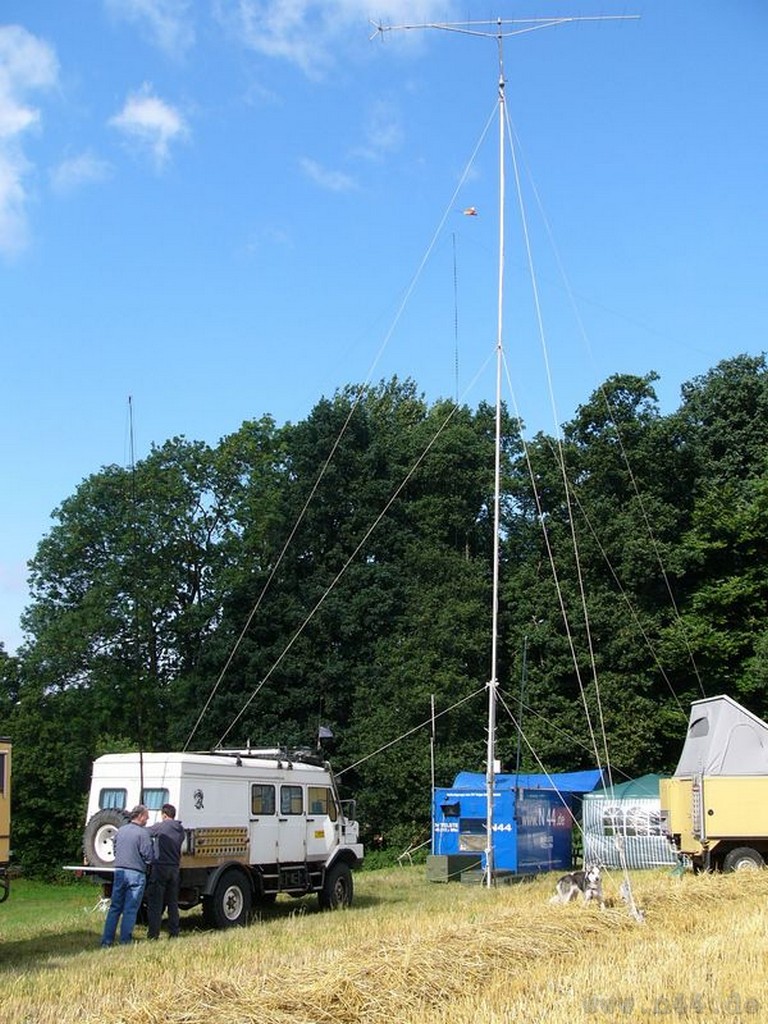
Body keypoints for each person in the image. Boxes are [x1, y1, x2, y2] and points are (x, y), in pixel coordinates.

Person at [100, 805, 153, 947]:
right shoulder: (143, 834)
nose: (147, 819)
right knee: (130, 909)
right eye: (146, 816)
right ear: (140, 816)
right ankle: (125, 941)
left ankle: (107, 941)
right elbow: (148, 856)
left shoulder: (121, 831)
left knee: (115, 907)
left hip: (120, 871)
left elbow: (115, 850)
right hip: (136, 873)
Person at [146, 803, 185, 940]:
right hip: (174, 868)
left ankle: (153, 934)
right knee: (173, 903)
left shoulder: (161, 826)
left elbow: (146, 832)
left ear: (164, 815)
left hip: (160, 867)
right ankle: (174, 932)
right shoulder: (180, 829)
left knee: (156, 903)